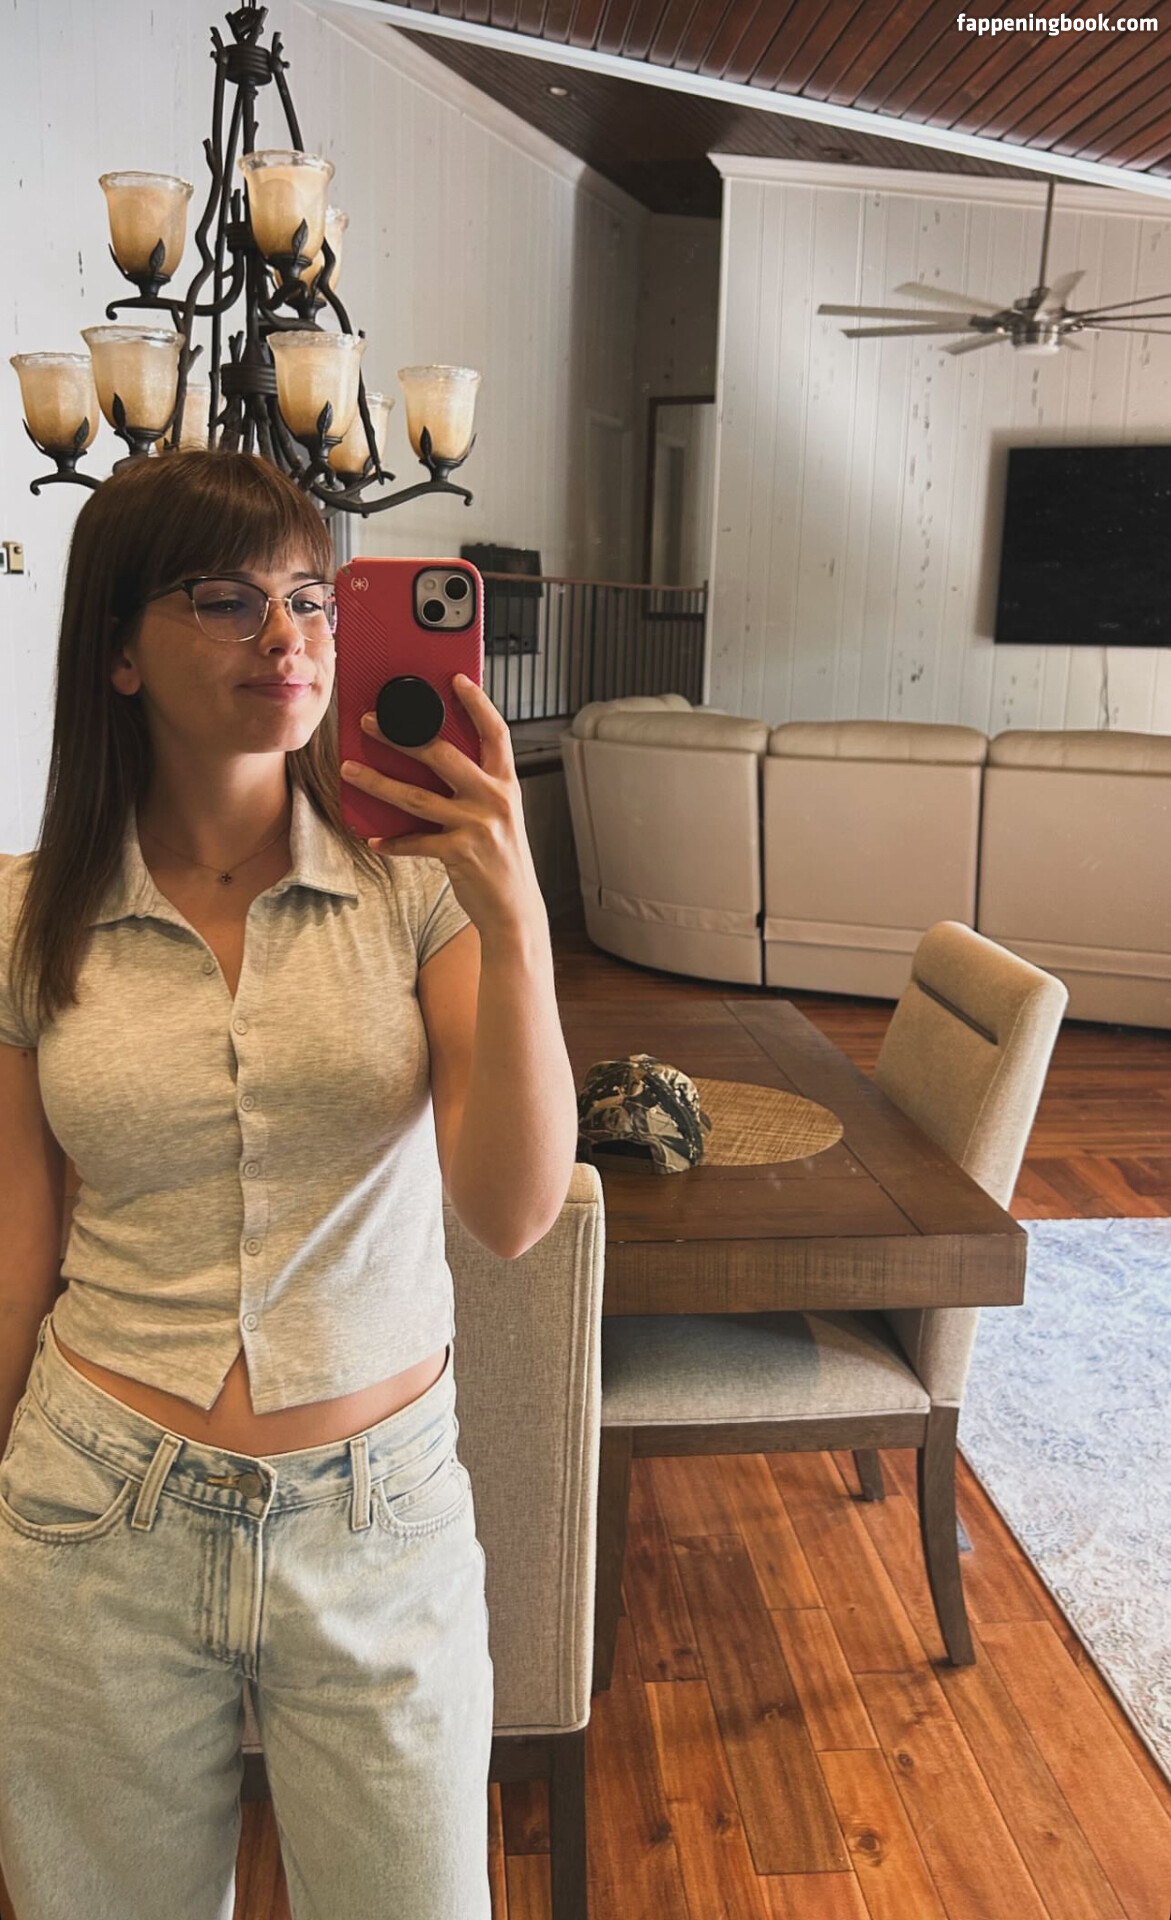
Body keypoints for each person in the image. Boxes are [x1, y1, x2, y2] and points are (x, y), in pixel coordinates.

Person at [0, 448, 580, 1920]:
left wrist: (518, 921)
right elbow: (15, 1251)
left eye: (313, 598)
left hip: (377, 1521)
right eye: (226, 600)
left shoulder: (420, 890)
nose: (289, 636)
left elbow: (514, 1211)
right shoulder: (24, 918)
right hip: (93, 1513)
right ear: (118, 653)